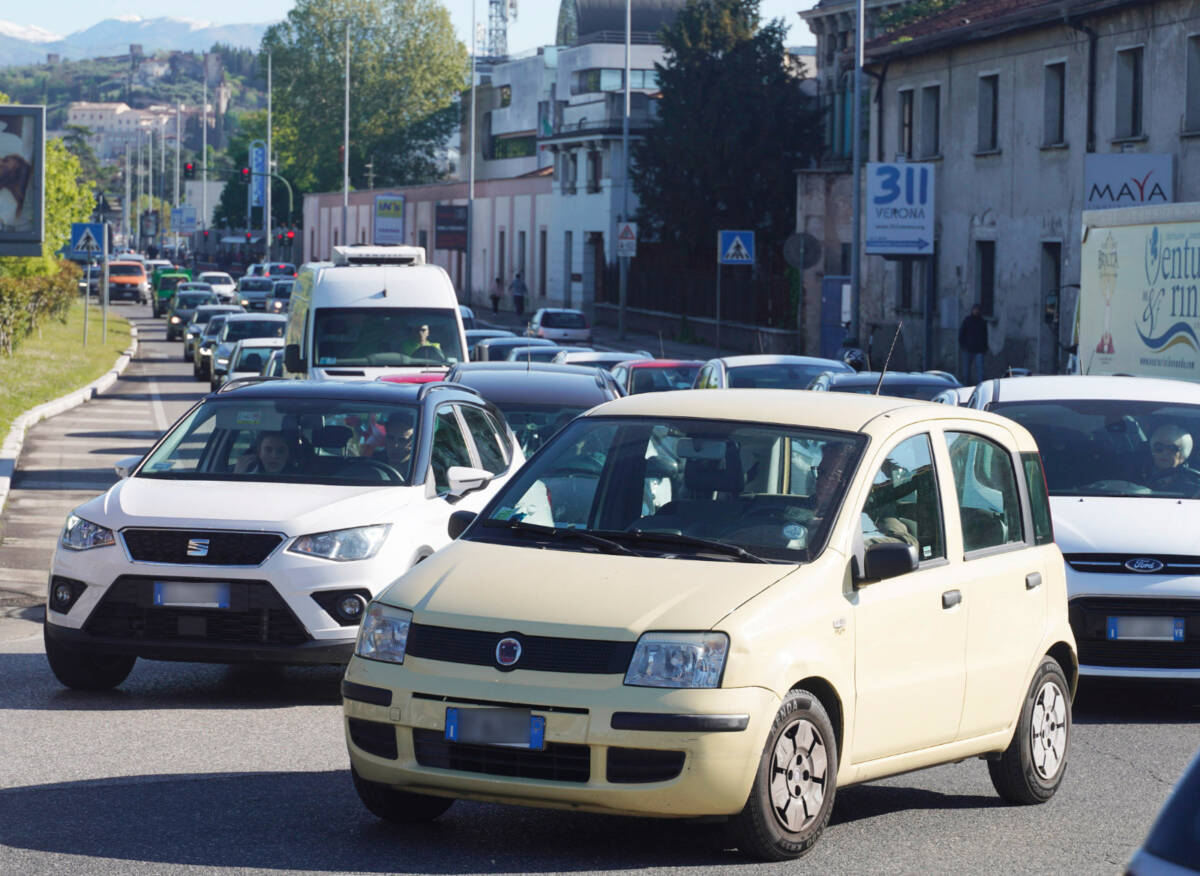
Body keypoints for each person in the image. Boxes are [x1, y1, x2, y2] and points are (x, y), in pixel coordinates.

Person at [1143, 424, 1200, 492]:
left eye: (1172, 448)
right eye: (1159, 447)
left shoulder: (1193, 483)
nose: (1164, 453)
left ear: (1183, 455)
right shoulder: (1137, 472)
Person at [958, 303, 988, 385]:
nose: (976, 311)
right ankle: (966, 387)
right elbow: (961, 334)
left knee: (980, 372)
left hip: (979, 350)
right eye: (975, 309)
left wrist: (985, 348)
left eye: (978, 310)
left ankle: (981, 387)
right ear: (972, 310)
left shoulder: (982, 322)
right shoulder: (967, 320)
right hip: (968, 350)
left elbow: (985, 336)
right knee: (966, 373)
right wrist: (963, 346)